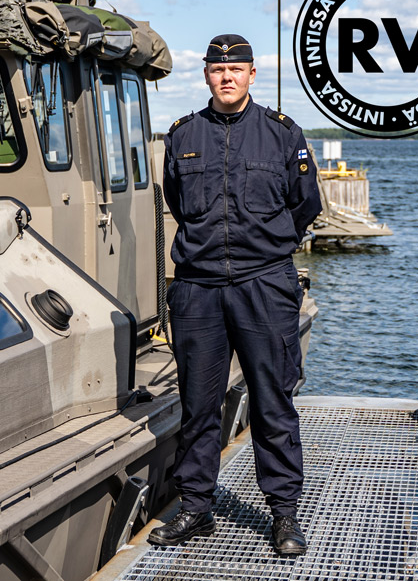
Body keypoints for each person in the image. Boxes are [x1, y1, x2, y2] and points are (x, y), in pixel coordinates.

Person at [149, 34, 322, 555]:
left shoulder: (282, 134)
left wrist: (265, 247)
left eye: (236, 69)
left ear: (251, 74)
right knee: (198, 405)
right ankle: (196, 508)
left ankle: (284, 514)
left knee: (272, 403)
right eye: (218, 70)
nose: (227, 77)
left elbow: (305, 204)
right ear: (207, 74)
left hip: (263, 284)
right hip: (198, 288)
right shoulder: (184, 135)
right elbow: (177, 201)